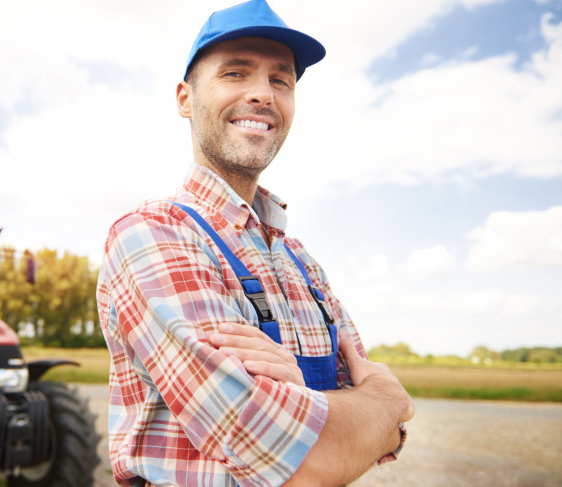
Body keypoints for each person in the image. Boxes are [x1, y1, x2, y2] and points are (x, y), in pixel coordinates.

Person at [96, 0, 414, 485]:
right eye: (235, 73)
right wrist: (382, 401)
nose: (263, 94)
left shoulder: (301, 261)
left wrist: (314, 402)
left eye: (280, 80)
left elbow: (387, 436)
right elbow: (310, 459)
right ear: (185, 99)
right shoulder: (151, 235)